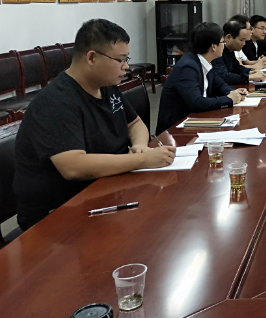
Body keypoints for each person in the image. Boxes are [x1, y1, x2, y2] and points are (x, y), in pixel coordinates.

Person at [12, 19, 176, 230]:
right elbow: (73, 167)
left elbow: (135, 123)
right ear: (91, 58)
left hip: (105, 188)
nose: (126, 67)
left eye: (127, 59)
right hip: (58, 214)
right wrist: (142, 160)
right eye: (120, 60)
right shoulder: (55, 102)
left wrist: (139, 145)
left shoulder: (106, 86)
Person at [155, 22, 247, 135]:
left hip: (195, 121)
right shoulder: (188, 67)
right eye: (222, 42)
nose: (224, 45)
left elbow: (220, 84)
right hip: (176, 131)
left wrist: (233, 92)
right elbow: (196, 102)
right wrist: (229, 99)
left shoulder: (204, 62)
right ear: (213, 47)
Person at [211, 20, 266, 85]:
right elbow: (223, 76)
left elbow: (238, 67)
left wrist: (252, 71)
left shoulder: (230, 50)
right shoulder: (218, 51)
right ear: (228, 37)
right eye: (241, 40)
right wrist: (250, 77)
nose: (244, 44)